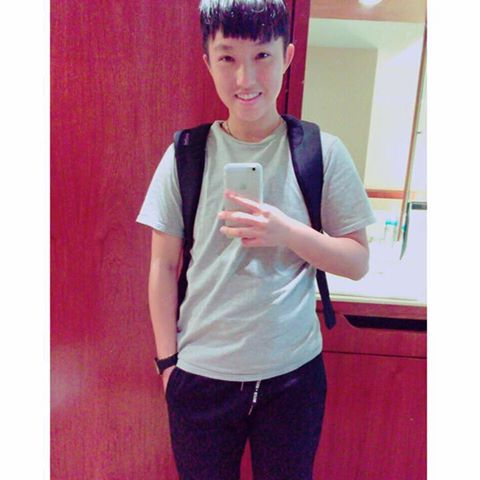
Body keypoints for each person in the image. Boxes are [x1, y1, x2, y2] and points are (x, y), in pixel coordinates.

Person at [137, 1, 375, 479]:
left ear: (288, 57)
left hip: (293, 377)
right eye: (227, 57)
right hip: (201, 376)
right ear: (207, 62)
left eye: (262, 55)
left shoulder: (323, 153)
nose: (245, 78)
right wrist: (168, 365)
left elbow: (357, 261)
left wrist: (285, 231)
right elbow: (162, 267)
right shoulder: (184, 155)